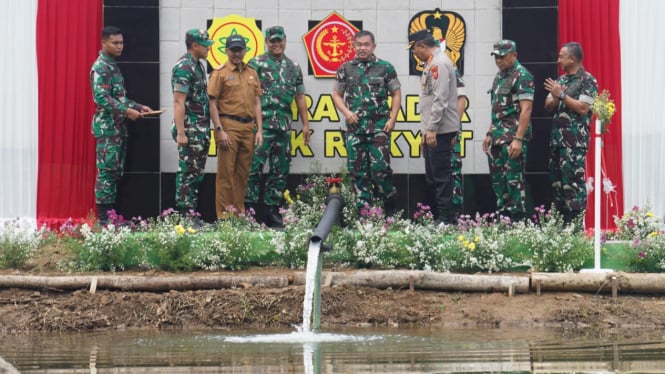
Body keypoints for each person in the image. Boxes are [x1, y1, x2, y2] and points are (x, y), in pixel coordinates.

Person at [245, 26, 310, 228]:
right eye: (272, 41)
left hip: (283, 127)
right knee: (253, 169)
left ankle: (271, 211)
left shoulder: (293, 67)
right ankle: (249, 211)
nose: (276, 44)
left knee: (279, 171)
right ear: (267, 42)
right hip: (261, 127)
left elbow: (300, 97)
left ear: (285, 40)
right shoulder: (256, 64)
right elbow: (246, 95)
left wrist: (306, 125)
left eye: (279, 40)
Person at [332, 30, 401, 214]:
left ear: (373, 46)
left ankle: (389, 203)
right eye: (359, 45)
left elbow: (396, 93)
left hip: (379, 128)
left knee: (381, 169)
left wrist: (393, 119)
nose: (362, 48)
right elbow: (337, 94)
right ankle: (364, 214)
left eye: (366, 44)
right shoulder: (345, 68)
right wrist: (346, 113)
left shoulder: (385, 68)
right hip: (355, 129)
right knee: (358, 173)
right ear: (353, 46)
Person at [90, 25, 151, 225]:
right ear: (104, 43)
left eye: (121, 42)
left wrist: (138, 106)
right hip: (108, 128)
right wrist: (127, 111)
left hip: (117, 128)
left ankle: (111, 218)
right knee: (107, 172)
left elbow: (119, 98)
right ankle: (104, 220)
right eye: (115, 43)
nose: (119, 46)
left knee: (114, 172)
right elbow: (102, 98)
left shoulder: (112, 66)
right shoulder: (101, 67)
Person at [208, 34, 263, 219]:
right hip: (228, 126)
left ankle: (239, 214)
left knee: (242, 173)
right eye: (233, 50)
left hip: (248, 128)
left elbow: (257, 103)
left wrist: (260, 130)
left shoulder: (252, 73)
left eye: (240, 50)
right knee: (226, 173)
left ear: (245, 51)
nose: (236, 54)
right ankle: (225, 216)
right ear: (227, 51)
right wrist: (219, 129)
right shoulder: (220, 73)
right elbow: (212, 103)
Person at [407, 29, 459, 225]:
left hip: (440, 131)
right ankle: (441, 217)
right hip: (434, 129)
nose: (414, 54)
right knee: (433, 176)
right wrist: (425, 131)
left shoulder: (439, 64)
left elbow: (440, 99)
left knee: (441, 176)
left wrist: (432, 129)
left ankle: (447, 219)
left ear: (421, 46)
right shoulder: (432, 63)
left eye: (415, 49)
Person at [544, 42, 598, 224]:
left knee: (573, 185)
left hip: (574, 143)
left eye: (562, 56)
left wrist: (561, 96)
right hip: (557, 142)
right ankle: (561, 228)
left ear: (572, 58)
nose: (559, 60)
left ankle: (576, 228)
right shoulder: (561, 81)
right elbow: (548, 105)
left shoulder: (587, 80)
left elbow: (583, 108)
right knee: (557, 185)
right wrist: (555, 94)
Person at [482, 40, 534, 222]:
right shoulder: (499, 76)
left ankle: (517, 223)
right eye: (496, 56)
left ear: (514, 55)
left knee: (514, 181)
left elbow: (526, 109)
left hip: (512, 138)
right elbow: (498, 109)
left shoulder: (522, 75)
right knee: (499, 183)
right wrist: (489, 133)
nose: (498, 60)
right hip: (497, 137)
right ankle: (504, 221)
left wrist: (518, 139)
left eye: (502, 56)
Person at [171, 29, 215, 216]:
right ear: (195, 46)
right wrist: (181, 133)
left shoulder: (199, 66)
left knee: (196, 173)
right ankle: (185, 214)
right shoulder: (184, 66)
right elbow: (178, 101)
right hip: (189, 128)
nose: (208, 49)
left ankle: (191, 213)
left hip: (200, 128)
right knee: (188, 173)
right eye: (205, 45)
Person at [452, 68, 469, 218]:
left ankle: (455, 216)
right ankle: (445, 215)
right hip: (434, 130)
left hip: (449, 131)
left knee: (452, 172)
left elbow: (461, 99)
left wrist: (454, 128)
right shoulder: (428, 71)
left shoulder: (450, 70)